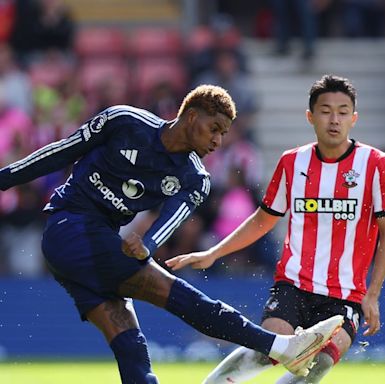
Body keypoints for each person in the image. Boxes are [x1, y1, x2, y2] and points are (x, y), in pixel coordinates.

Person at [0, 84, 344, 383]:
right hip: (68, 226)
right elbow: (63, 150)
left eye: (223, 134)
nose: (217, 141)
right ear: (192, 116)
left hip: (98, 244)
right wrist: (5, 178)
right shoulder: (124, 121)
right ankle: (280, 347)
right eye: (214, 129)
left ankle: (281, 348)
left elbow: (171, 219)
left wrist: (147, 244)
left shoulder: (195, 178)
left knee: (132, 348)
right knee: (171, 290)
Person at [167, 75, 385, 383]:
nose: (334, 119)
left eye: (343, 111)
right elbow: (263, 220)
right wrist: (214, 253)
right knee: (268, 347)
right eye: (326, 110)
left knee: (318, 364)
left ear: (354, 118)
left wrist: (373, 294)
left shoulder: (377, 164)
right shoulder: (293, 162)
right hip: (293, 285)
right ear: (310, 116)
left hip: (346, 295)